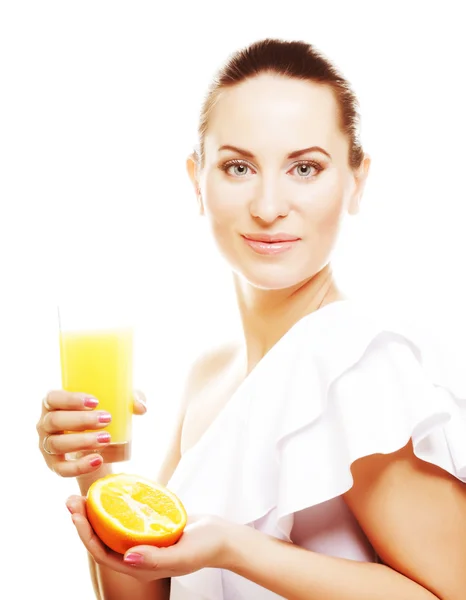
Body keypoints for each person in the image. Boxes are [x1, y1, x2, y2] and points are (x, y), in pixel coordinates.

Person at [36, 38, 466, 600]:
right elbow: (147, 589)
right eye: (238, 166)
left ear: (356, 180)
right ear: (197, 179)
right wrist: (95, 470)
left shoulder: (357, 358)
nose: (267, 206)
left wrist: (238, 549)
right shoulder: (209, 374)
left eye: (305, 168)